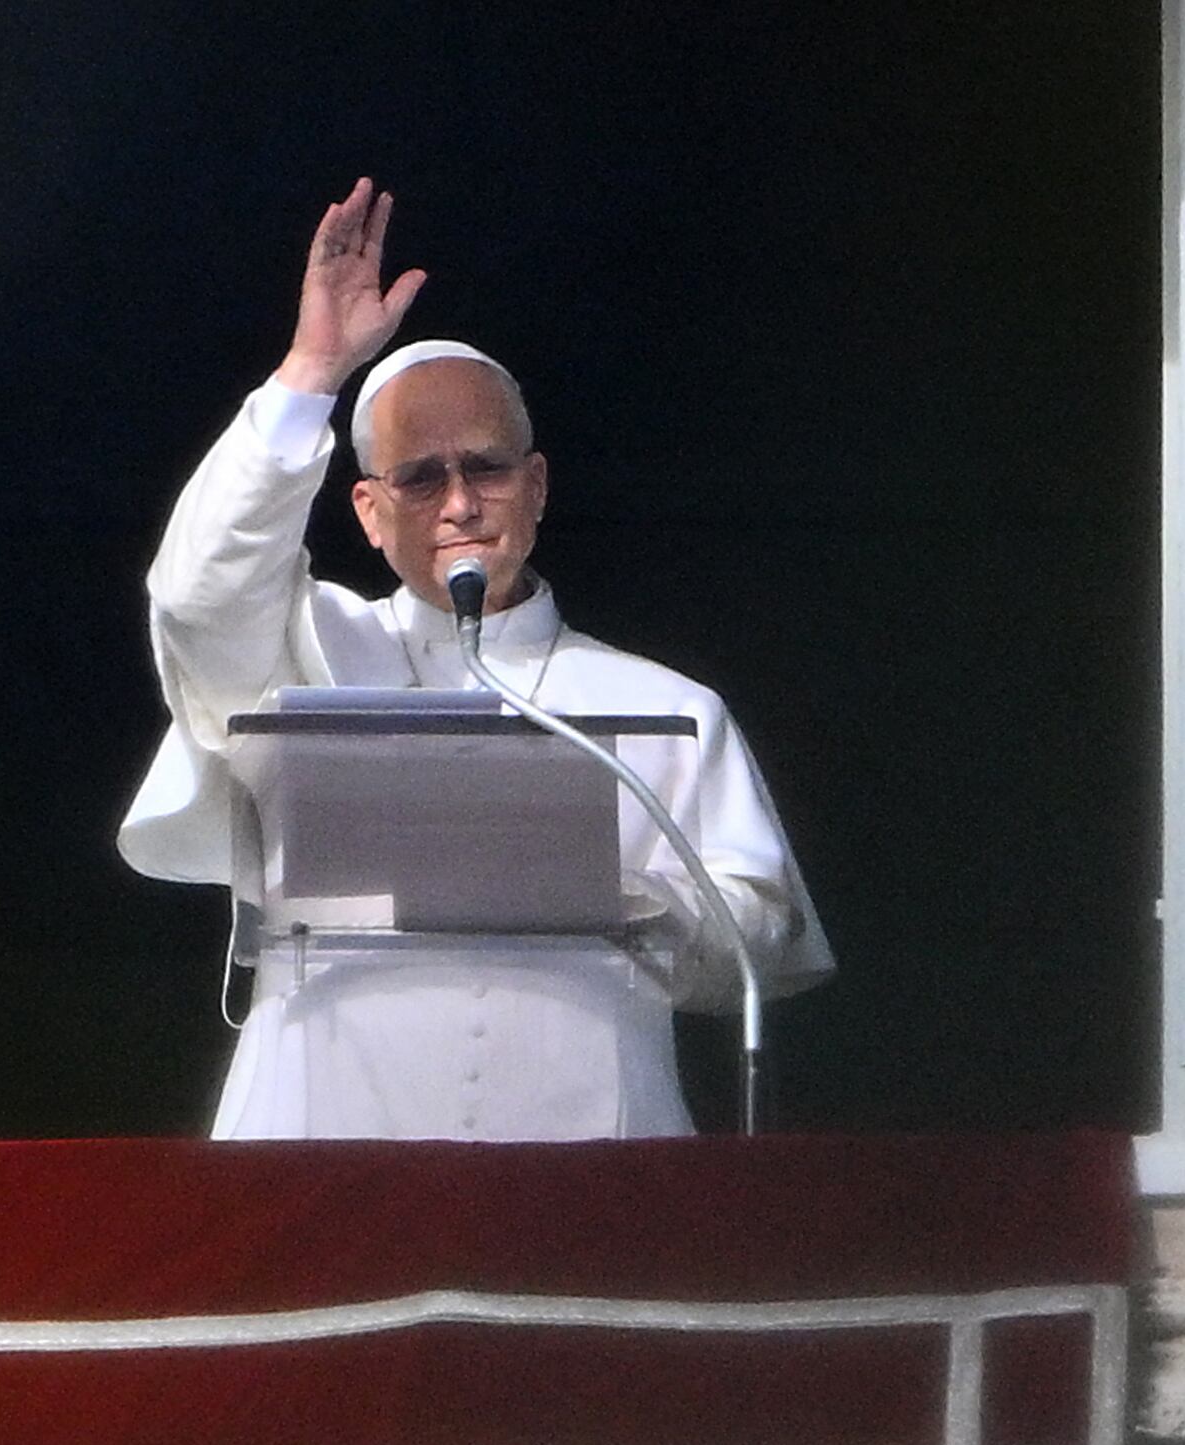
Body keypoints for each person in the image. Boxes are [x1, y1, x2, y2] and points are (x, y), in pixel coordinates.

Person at [118, 181, 832, 1140]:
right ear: (369, 513)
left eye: (486, 467)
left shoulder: (664, 707)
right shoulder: (309, 654)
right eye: (420, 477)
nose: (459, 503)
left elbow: (759, 937)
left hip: (586, 1142)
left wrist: (630, 900)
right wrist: (311, 370)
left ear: (534, 487)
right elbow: (195, 596)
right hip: (321, 1137)